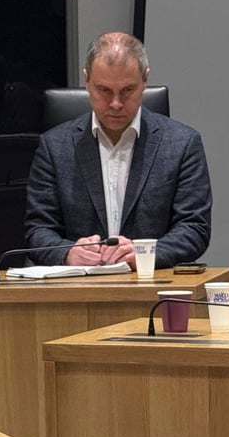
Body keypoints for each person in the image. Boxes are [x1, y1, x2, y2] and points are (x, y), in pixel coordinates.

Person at [24, 31, 212, 268]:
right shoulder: (54, 146)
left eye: (127, 91)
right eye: (104, 90)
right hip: (77, 290)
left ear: (144, 80)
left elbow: (194, 228)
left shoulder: (183, 144)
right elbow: (38, 229)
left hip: (151, 287)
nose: (115, 103)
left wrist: (144, 252)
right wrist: (68, 253)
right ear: (87, 81)